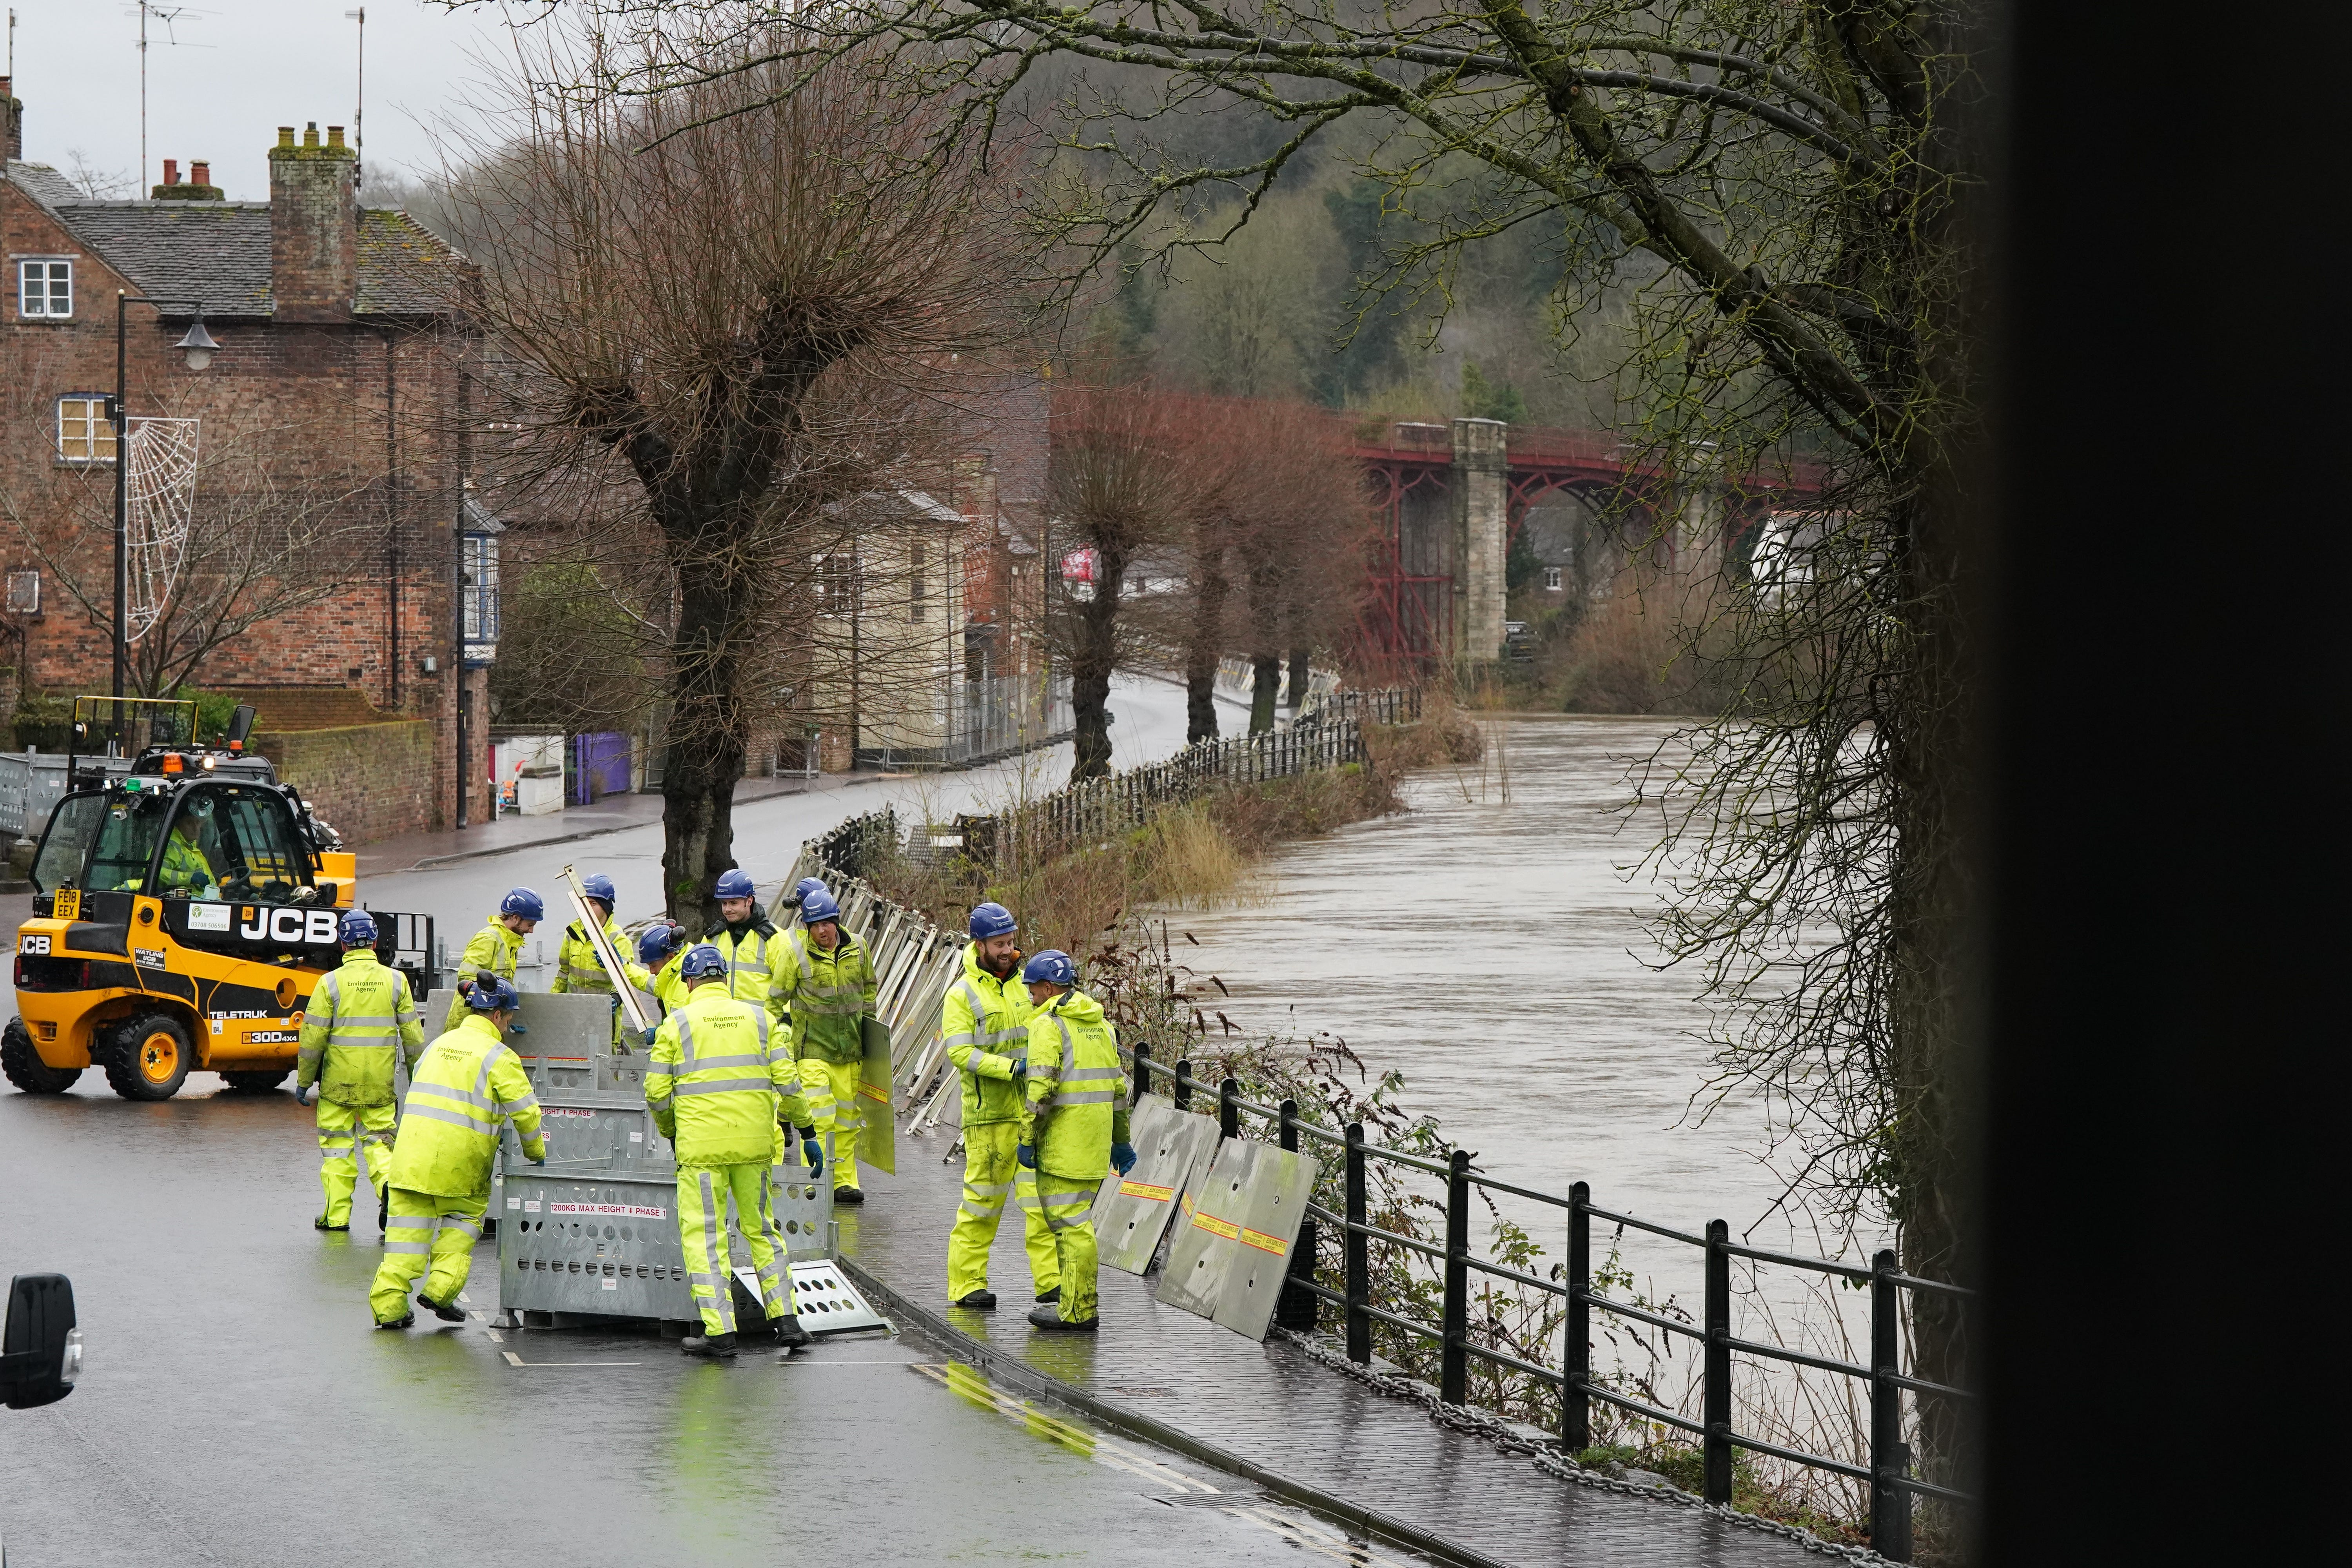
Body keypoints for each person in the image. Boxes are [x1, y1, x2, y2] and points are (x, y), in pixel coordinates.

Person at [645, 944, 823, 1357]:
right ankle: (788, 1321)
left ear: (690, 983)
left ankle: (720, 1332)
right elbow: (789, 1082)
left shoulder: (677, 1024)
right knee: (762, 1230)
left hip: (702, 1151)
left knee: (706, 1236)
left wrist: (672, 1129)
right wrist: (808, 1130)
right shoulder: (761, 1020)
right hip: (754, 1147)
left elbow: (655, 1092)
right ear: (723, 978)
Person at [370, 975, 545, 1329]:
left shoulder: (438, 1045)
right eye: (509, 1018)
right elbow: (526, 1112)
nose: (509, 1025)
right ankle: (439, 1291)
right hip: (461, 1166)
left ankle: (389, 1309)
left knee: (404, 1240)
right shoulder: (500, 1057)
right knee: (461, 1225)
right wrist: (535, 1151)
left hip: (411, 1161)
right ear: (496, 1016)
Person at [940, 902, 1059, 1310]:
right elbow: (961, 1053)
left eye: (1011, 941)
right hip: (988, 1116)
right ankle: (967, 1284)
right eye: (1000, 943)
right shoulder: (961, 995)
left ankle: (1052, 1283)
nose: (1009, 950)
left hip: (1030, 1113)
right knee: (981, 1206)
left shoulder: (1028, 985)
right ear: (980, 945)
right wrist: (1010, 1068)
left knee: (1041, 1203)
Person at [1016, 950, 1136, 1332]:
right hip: (1095, 1141)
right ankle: (1075, 1302)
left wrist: (1027, 1137)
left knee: (1070, 1227)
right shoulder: (1100, 1025)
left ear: (1048, 988)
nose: (1030, 998)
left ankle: (1078, 1310)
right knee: (1079, 1223)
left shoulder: (1048, 1025)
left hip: (1062, 1143)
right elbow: (1120, 1088)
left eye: (1033, 991)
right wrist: (1121, 1140)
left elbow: (1042, 1088)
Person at [295, 910, 425, 1234]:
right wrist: (417, 1079)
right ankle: (389, 1191)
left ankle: (336, 1218)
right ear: (376, 942)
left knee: (337, 1150)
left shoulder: (329, 984)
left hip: (338, 1085)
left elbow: (312, 1039)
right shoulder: (397, 981)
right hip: (379, 1084)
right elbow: (413, 1039)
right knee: (380, 1143)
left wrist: (303, 1081)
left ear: (343, 945)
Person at [776, 883, 878, 1204]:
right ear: (806, 926)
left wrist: (869, 1032)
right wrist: (781, 1041)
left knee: (848, 1121)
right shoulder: (795, 956)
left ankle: (844, 1182)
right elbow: (775, 1002)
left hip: (850, 1053)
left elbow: (869, 990)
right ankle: (814, 1181)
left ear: (837, 920)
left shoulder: (859, 949)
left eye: (828, 923)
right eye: (817, 925)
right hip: (813, 1052)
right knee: (819, 1118)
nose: (824, 930)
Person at [552, 872, 652, 1044]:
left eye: (593, 904)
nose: (588, 908)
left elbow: (624, 981)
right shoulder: (573, 933)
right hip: (573, 1017)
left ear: (606, 907)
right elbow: (564, 973)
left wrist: (614, 999)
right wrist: (552, 1003)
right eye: (585, 903)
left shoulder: (617, 939)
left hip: (603, 1021)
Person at [441, 887, 542, 1030]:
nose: (531, 931)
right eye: (530, 924)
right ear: (515, 918)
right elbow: (467, 981)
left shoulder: (509, 942)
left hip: (490, 1022)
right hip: (472, 1024)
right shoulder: (490, 939)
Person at [707, 868, 791, 1024]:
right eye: (724, 903)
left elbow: (787, 987)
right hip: (721, 1027)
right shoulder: (713, 938)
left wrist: (786, 1021)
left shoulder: (774, 938)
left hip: (761, 1028)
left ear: (749, 901)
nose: (727, 909)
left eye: (734, 903)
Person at [156, 809, 218, 898]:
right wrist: (189, 878)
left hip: (203, 903)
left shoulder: (192, 849)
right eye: (189, 823)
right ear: (178, 825)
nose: (195, 827)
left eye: (198, 822)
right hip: (182, 904)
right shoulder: (171, 847)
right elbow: (159, 874)